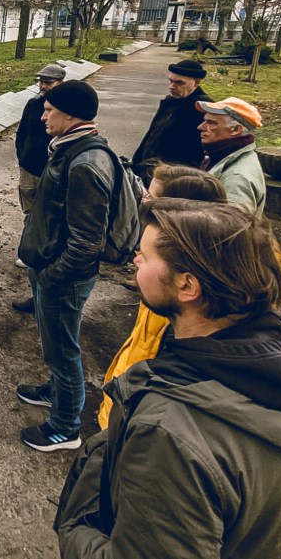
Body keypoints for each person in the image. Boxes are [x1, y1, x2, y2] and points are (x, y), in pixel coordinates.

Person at [56, 200, 281, 558]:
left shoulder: (169, 433)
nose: (135, 259)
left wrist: (75, 526)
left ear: (187, 287)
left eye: (146, 255)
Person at [15, 80, 116, 452]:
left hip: (64, 277)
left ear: (70, 115)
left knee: (64, 350)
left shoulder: (86, 162)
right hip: (51, 268)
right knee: (54, 345)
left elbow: (88, 240)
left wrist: (52, 277)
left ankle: (65, 427)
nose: (42, 115)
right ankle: (54, 392)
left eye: (49, 110)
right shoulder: (70, 148)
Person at [97, 164, 226, 429]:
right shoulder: (165, 295)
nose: (135, 260)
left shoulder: (184, 322)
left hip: (133, 425)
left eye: (152, 198)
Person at [11, 63, 66, 313]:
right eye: (41, 81)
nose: (43, 86)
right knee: (29, 211)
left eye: (49, 83)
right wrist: (21, 154)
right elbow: (22, 131)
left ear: (60, 84)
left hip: (50, 171)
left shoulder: (66, 111)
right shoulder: (33, 104)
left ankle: (41, 252)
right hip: (28, 167)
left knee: (47, 216)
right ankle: (29, 247)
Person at [130, 59, 211, 184]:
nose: (171, 86)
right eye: (170, 81)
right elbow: (151, 136)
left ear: (196, 82)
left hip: (171, 179)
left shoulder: (203, 109)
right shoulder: (172, 101)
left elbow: (197, 153)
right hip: (147, 171)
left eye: (179, 83)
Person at [197, 96, 267, 215]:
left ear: (235, 130)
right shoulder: (225, 156)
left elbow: (233, 228)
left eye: (211, 123)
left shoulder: (237, 177)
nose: (200, 127)